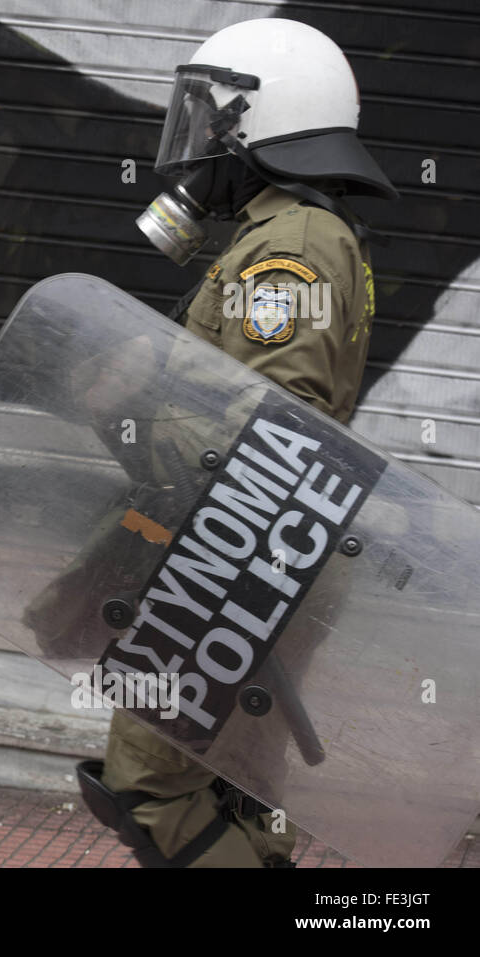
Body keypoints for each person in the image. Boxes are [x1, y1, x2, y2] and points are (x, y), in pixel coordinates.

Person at [92, 17, 398, 867]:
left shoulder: (293, 242)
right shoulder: (278, 231)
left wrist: (137, 396)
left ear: (262, 122)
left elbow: (281, 428)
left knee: (148, 785)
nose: (199, 143)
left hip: (246, 554)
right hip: (258, 551)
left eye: (213, 119)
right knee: (238, 785)